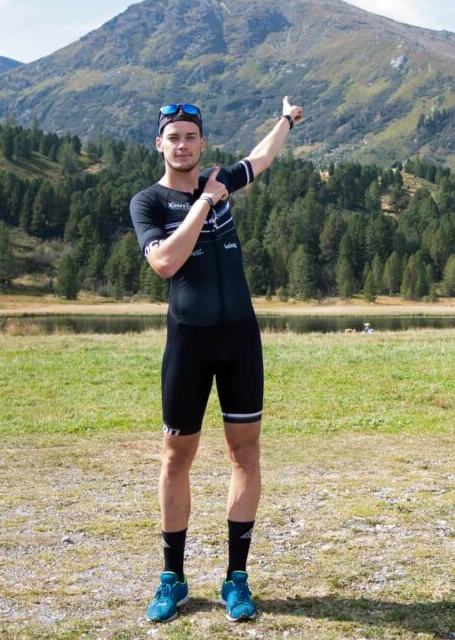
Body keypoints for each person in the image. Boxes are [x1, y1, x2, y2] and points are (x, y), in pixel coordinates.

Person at [129, 97, 304, 623]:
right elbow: (163, 262)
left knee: (245, 456)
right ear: (160, 144)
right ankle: (172, 579)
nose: (182, 145)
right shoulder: (149, 202)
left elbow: (263, 157)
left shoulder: (222, 179)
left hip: (239, 340)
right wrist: (205, 202)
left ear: (202, 144)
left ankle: (236, 578)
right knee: (174, 459)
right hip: (189, 342)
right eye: (173, 137)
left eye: (191, 137)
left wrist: (286, 120)